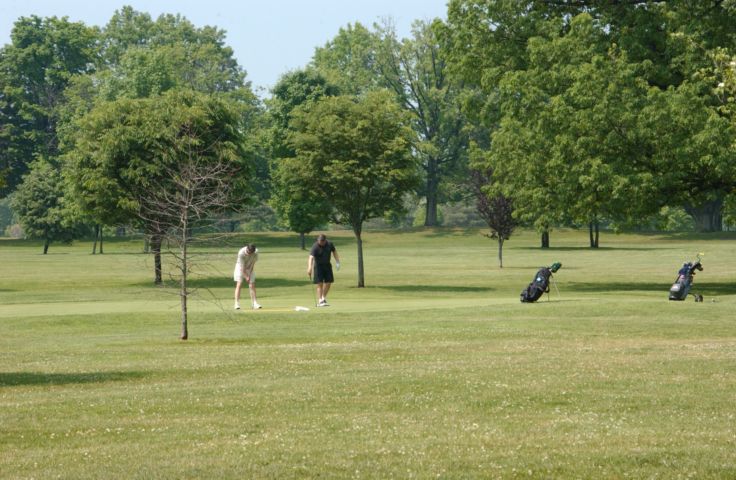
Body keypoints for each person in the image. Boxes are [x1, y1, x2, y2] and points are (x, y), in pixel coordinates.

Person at [307, 234, 340, 307]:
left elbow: (334, 252)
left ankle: (323, 298)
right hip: (318, 267)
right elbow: (311, 257)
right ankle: (320, 300)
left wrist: (337, 262)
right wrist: (309, 268)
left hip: (327, 265)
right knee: (320, 283)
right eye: (319, 241)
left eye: (322, 241)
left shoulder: (329, 244)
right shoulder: (315, 246)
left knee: (328, 283)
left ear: (325, 240)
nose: (320, 243)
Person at [234, 243, 261, 310]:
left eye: (251, 253)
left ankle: (254, 303)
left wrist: (249, 273)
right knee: (239, 283)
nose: (249, 254)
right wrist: (246, 276)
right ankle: (236, 304)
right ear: (247, 249)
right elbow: (242, 268)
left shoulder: (256, 252)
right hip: (240, 267)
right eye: (249, 252)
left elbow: (253, 263)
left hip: (249, 266)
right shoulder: (241, 253)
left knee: (252, 285)